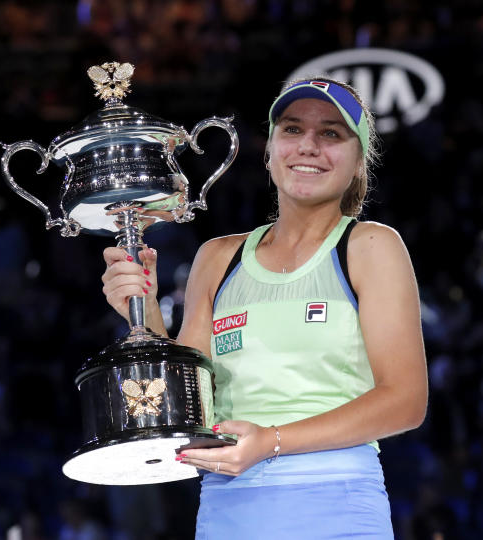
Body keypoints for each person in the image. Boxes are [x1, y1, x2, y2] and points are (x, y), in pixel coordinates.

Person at [101, 78, 428, 537]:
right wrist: (143, 311)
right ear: (269, 151)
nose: (309, 146)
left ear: (358, 164)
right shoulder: (217, 258)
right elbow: (188, 406)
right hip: (228, 506)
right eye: (292, 130)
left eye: (331, 133)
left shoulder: (371, 246)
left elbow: (406, 403)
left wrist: (271, 442)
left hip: (336, 503)